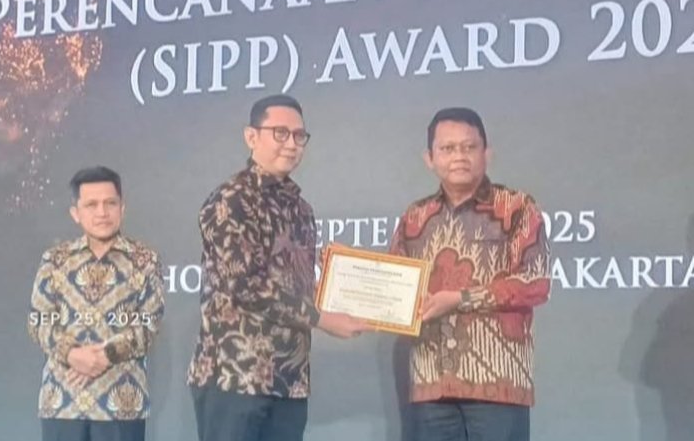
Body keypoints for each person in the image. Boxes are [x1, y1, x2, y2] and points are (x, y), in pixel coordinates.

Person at [187, 94, 368, 441]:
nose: (291, 143)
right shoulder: (232, 199)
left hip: (289, 379)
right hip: (235, 377)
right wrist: (323, 319)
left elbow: (294, 284)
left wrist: (338, 269)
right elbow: (247, 287)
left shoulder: (301, 208)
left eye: (299, 135)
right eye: (280, 133)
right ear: (251, 136)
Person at [390, 108, 551, 441]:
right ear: (429, 158)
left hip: (498, 386)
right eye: (447, 148)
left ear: (486, 153)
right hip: (430, 383)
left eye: (469, 147)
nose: (459, 156)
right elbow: (393, 285)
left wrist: (460, 299)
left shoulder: (517, 207)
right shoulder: (414, 217)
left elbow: (536, 282)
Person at [28, 166, 165, 441]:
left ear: (122, 208)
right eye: (91, 205)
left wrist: (105, 356)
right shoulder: (54, 260)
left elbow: (149, 324)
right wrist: (72, 355)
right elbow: (39, 321)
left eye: (110, 203)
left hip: (122, 404)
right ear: (75, 213)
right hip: (63, 403)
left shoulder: (145, 260)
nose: (102, 212)